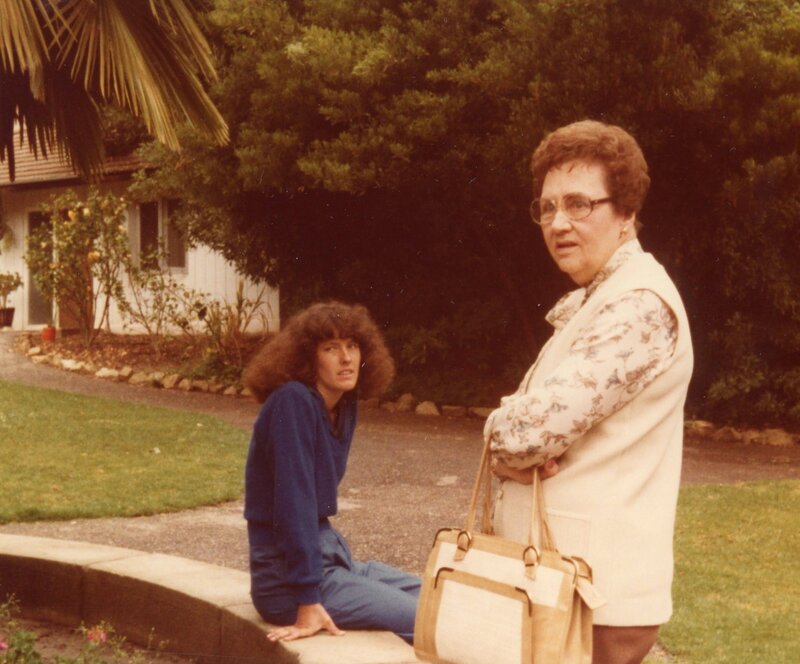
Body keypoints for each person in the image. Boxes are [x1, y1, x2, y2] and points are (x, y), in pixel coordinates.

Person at [484, 120, 693, 664]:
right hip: (563, 582)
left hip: (592, 593)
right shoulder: (607, 296)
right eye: (547, 207)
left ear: (625, 213)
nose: (559, 223)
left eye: (579, 204)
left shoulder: (637, 305)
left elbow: (526, 433)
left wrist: (497, 433)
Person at [243, 301, 421, 644]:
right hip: (288, 583)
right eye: (331, 348)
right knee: (427, 618)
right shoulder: (292, 402)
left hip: (334, 561)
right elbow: (294, 505)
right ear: (308, 359)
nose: (346, 358)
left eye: (352, 346)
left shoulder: (342, 404)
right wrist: (308, 599)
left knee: (441, 594)